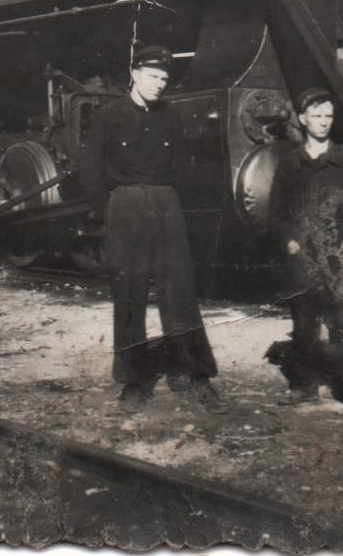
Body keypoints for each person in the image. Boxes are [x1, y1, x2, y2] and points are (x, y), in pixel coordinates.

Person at [80, 44, 223, 413]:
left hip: (165, 203)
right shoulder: (108, 116)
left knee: (180, 292)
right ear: (135, 73)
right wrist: (110, 211)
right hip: (125, 206)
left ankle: (194, 376)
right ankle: (134, 380)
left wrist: (166, 199)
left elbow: (182, 167)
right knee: (129, 294)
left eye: (164, 78)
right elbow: (92, 170)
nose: (159, 84)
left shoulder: (172, 117)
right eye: (153, 76)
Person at [265, 87, 343, 414]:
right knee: (304, 322)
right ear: (302, 120)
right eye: (317, 116)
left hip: (338, 253)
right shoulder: (290, 165)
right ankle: (303, 386)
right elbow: (277, 212)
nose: (324, 122)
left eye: (328, 116)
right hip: (303, 255)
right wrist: (288, 240)